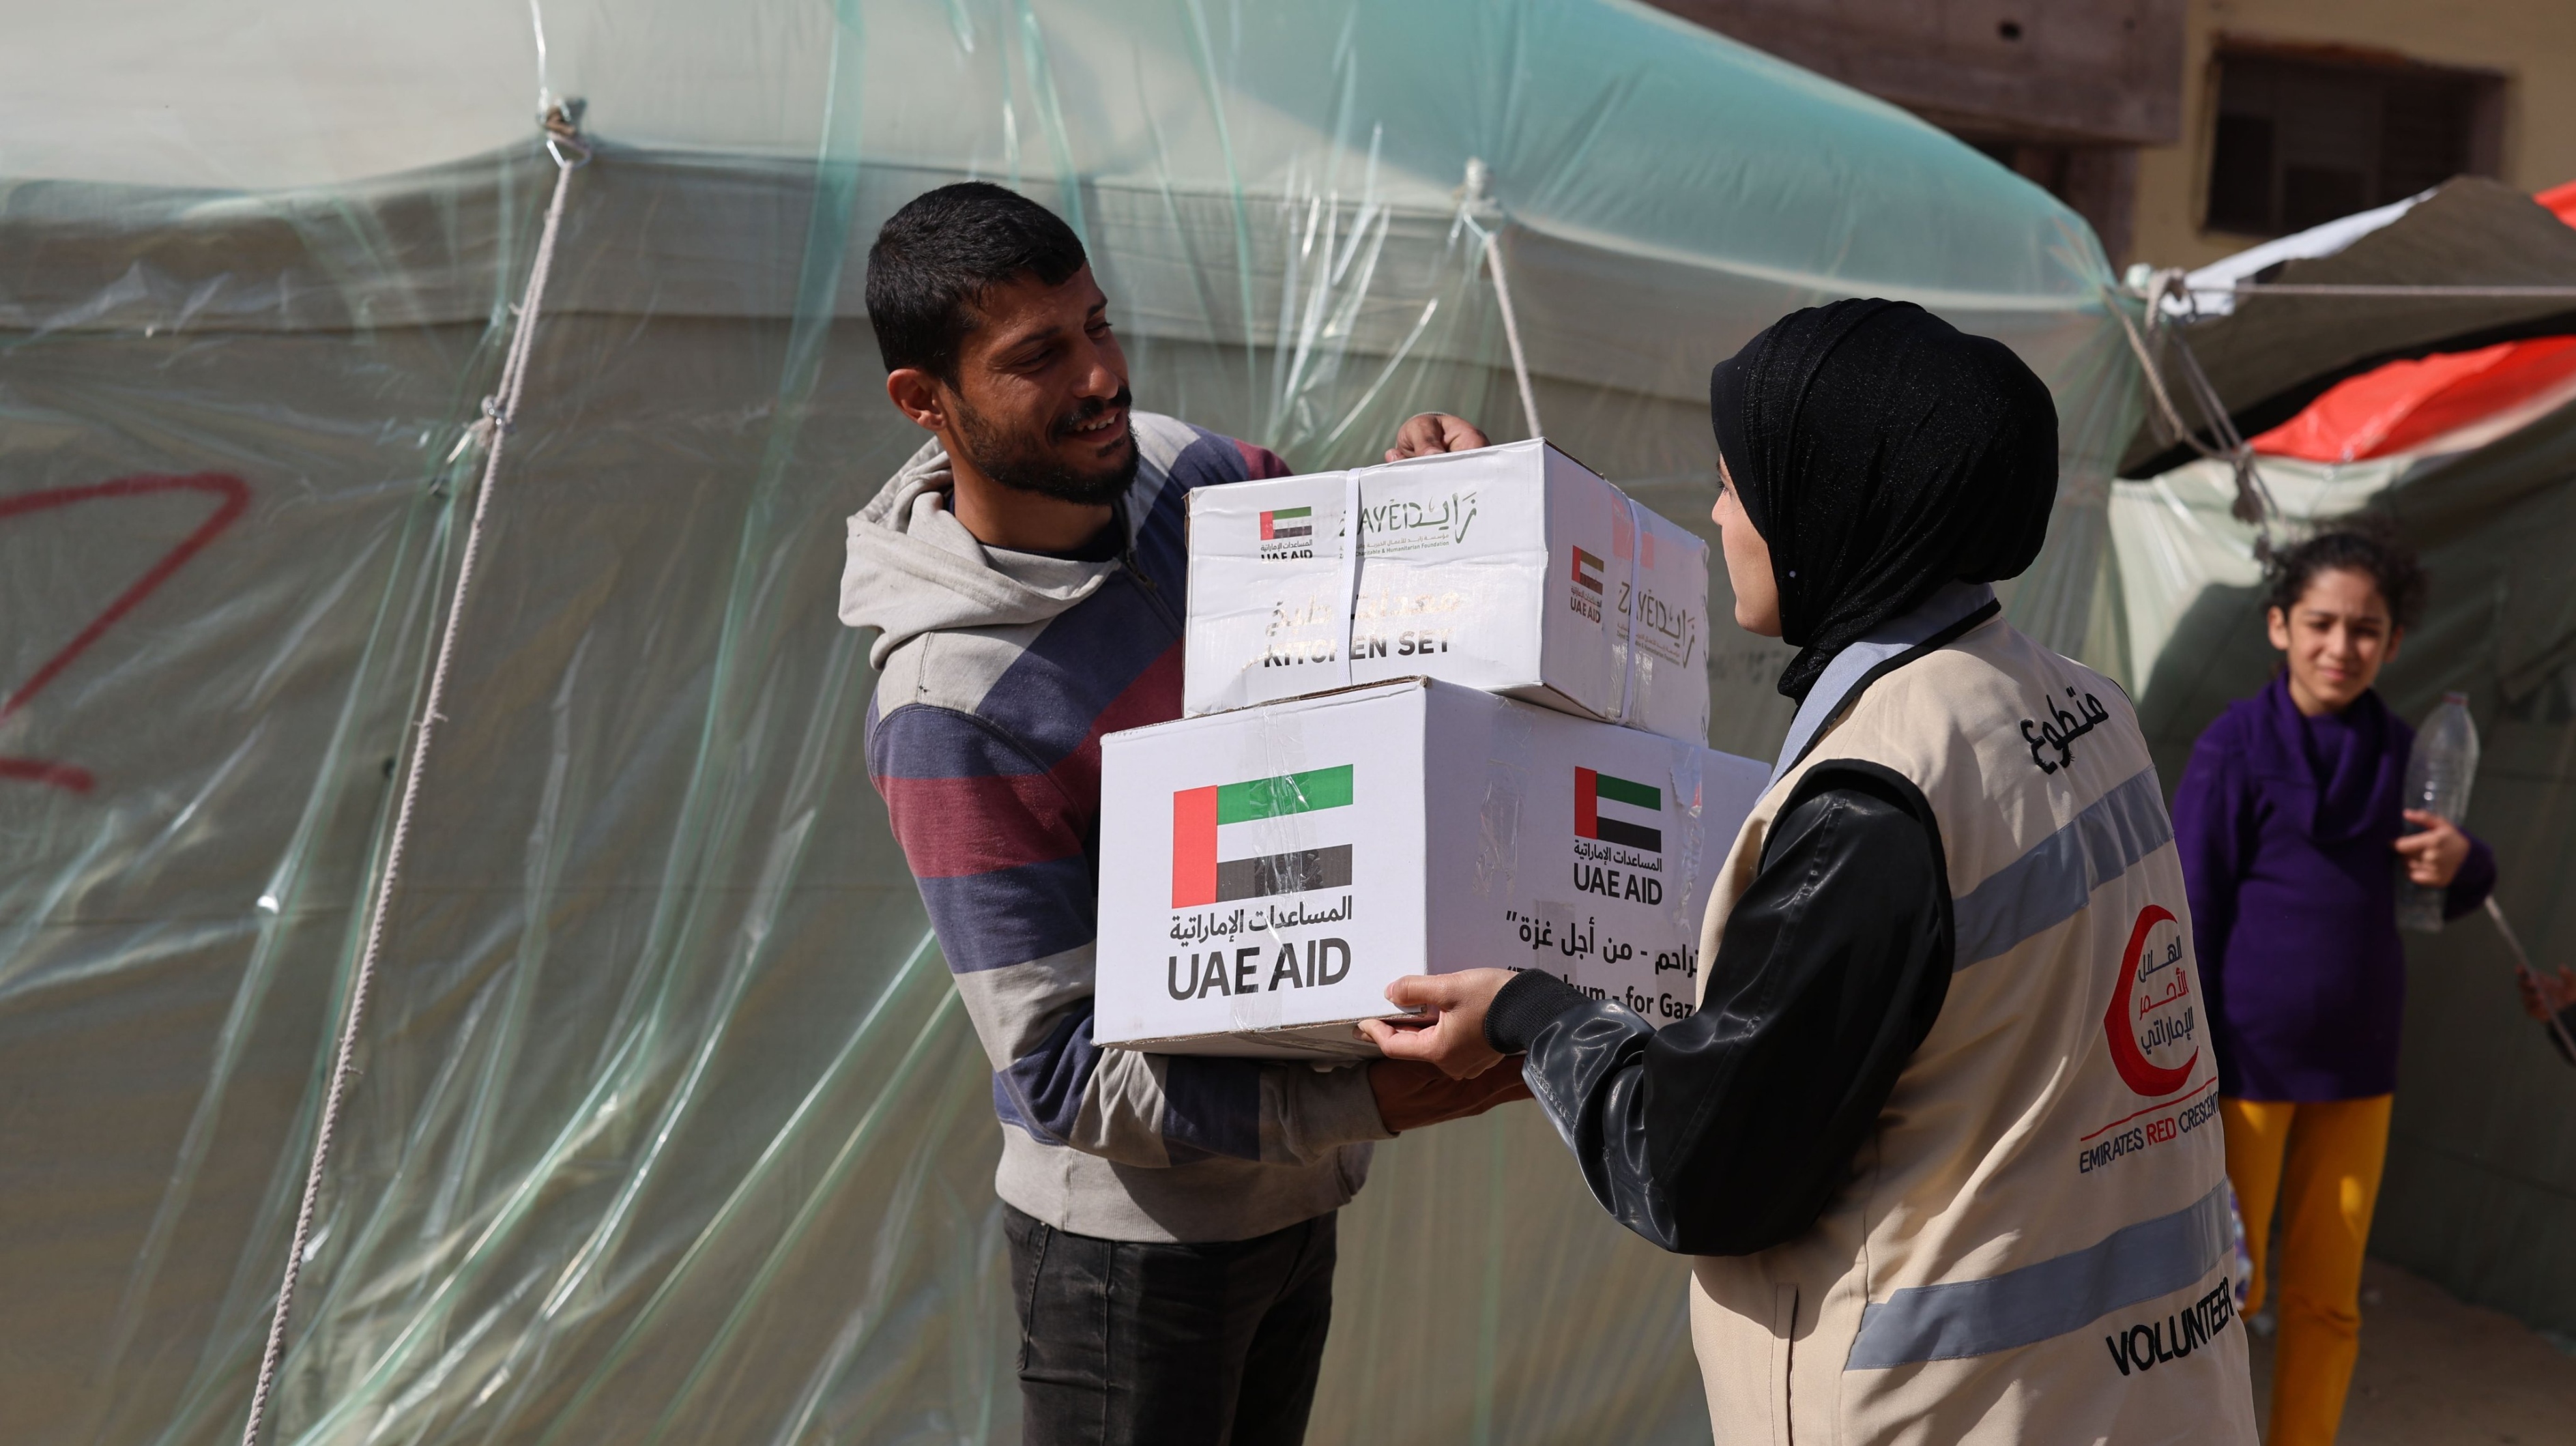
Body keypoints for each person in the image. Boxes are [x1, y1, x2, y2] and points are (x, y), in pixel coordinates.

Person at [1363, 298, 2257, 1443]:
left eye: (1737, 485)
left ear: (1827, 502)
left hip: (1952, 1413)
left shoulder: (1877, 799)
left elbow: (1693, 1169)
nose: (1720, 517)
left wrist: (1527, 1016)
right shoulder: (2082, 705)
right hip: (2145, 1393)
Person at [839, 183, 1526, 1446]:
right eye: (1039, 356)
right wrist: (1366, 1104)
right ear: (923, 401)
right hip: (1130, 1264)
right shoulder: (951, 705)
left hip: (1296, 1203)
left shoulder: (1188, 476)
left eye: (1097, 325)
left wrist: (1422, 502)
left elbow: (1341, 622)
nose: (1100, 377)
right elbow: (1060, 1072)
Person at [2167, 526, 2495, 1445]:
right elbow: (2189, 913)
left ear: (2394, 642)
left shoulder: (2406, 756)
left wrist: (2464, 860)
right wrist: (2187, 1067)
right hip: (2243, 1072)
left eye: (2365, 629)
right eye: (2320, 623)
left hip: (2359, 1072)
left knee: (2328, 1302)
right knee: (2222, 1294)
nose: (2340, 647)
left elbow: (2453, 880)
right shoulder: (2233, 748)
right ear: (2279, 626)